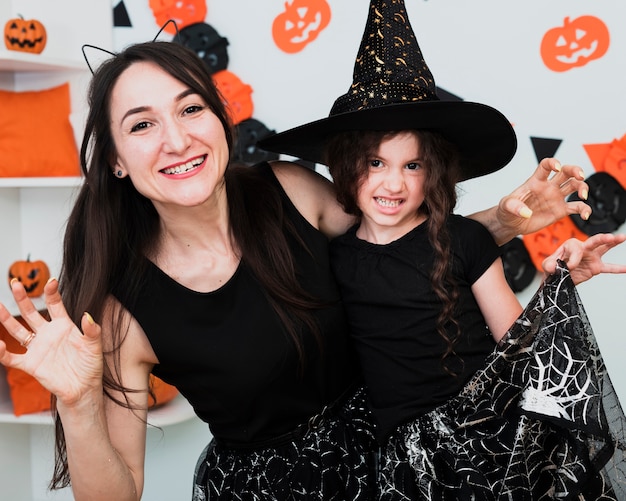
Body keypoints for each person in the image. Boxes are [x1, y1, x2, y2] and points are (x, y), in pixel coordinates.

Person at [0, 38, 616, 501]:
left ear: (220, 121)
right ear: (114, 161)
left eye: (190, 110)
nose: (177, 139)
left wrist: (508, 224)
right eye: (142, 124)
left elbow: (398, 254)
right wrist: (78, 404)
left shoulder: (291, 190)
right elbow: (118, 492)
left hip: (394, 460)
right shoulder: (121, 312)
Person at [258, 0, 626, 499]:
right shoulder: (334, 259)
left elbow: (516, 347)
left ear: (435, 172)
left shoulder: (466, 239)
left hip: (494, 440)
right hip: (407, 464)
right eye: (375, 162)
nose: (393, 182)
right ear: (346, 167)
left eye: (412, 166)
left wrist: (558, 283)